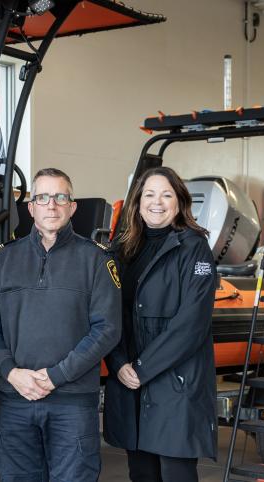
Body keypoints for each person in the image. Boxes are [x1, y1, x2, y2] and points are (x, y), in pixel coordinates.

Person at [0, 167, 121, 482]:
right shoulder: (3, 260)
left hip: (73, 403)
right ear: (31, 208)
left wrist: (56, 376)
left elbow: (107, 329)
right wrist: (11, 372)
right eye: (42, 197)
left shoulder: (96, 260)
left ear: (72, 206)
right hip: (16, 399)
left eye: (60, 197)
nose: (51, 205)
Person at [102, 166, 217, 482]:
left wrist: (141, 368)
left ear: (179, 203)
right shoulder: (120, 251)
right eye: (149, 194)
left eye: (166, 195)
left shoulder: (194, 249)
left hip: (174, 383)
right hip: (128, 381)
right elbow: (106, 317)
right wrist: (120, 363)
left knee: (175, 472)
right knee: (141, 473)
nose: (157, 202)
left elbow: (191, 324)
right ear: (137, 203)